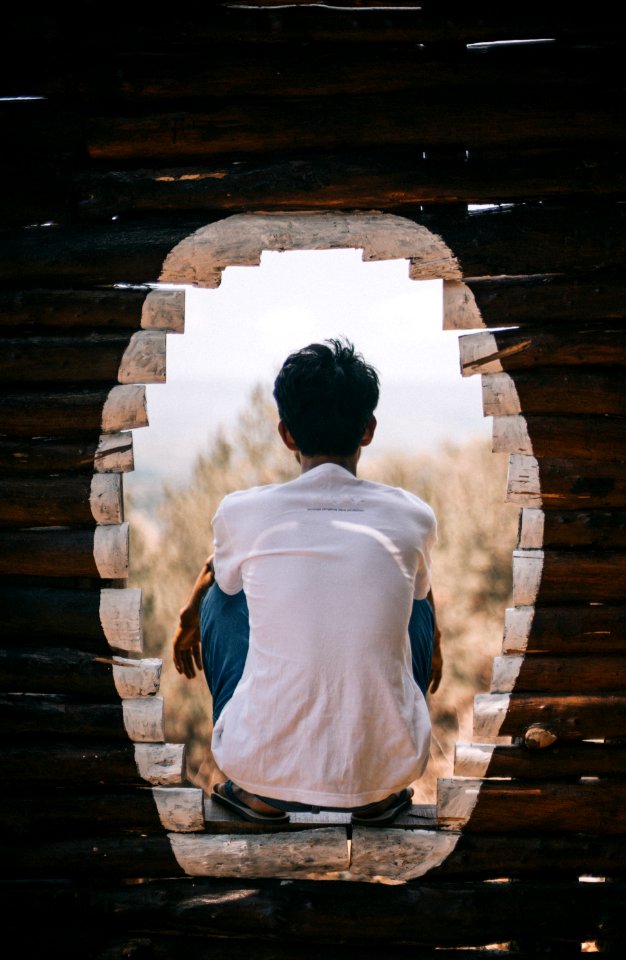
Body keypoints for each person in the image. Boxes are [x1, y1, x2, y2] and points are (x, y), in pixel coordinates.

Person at [173, 337, 442, 826]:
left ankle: (260, 796)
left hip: (259, 772)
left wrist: (190, 614)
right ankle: (374, 790)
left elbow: (219, 579)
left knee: (222, 596)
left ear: (286, 434)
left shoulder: (241, 512)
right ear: (369, 430)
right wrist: (433, 640)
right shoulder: (413, 514)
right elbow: (420, 603)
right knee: (421, 599)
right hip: (386, 774)